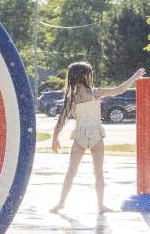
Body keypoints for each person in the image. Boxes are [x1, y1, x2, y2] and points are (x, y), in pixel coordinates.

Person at [50, 62, 145, 213]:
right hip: (95, 135)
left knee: (71, 172)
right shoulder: (94, 93)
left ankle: (62, 203)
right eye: (89, 74)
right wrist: (134, 76)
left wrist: (55, 138)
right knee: (98, 172)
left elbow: (61, 119)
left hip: (81, 135)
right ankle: (100, 205)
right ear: (85, 76)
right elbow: (120, 90)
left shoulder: (73, 97)